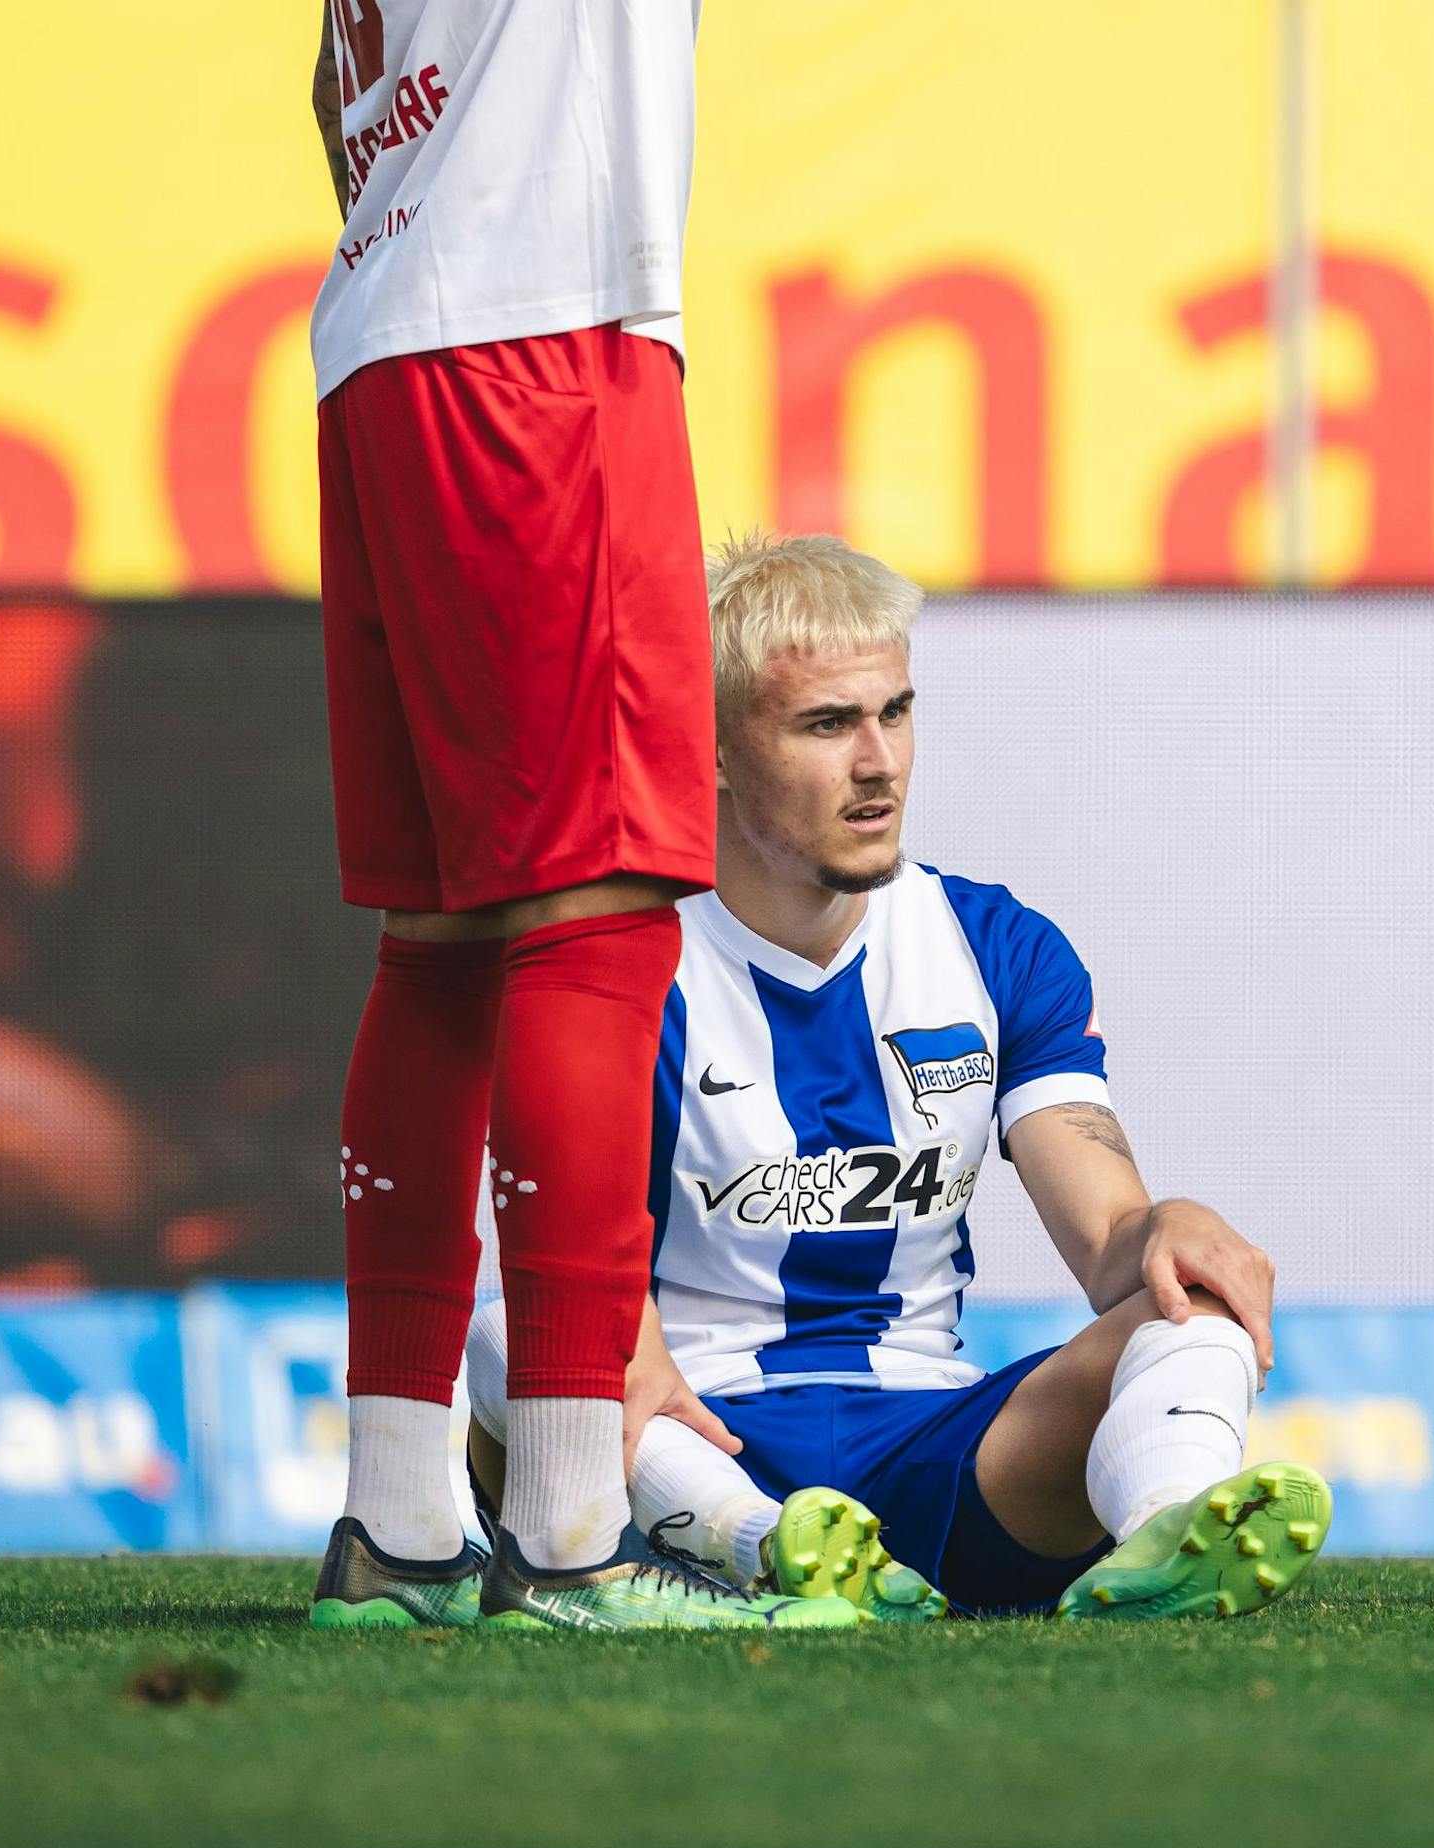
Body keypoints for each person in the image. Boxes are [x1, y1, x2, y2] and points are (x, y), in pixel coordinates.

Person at [466, 532, 1333, 1621]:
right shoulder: (621, 972)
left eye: (895, 711)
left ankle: (1169, 1531)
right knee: (518, 1331)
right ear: (713, 748)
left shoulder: (995, 946)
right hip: (688, 1442)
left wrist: (1164, 1225)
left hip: (943, 1451)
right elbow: (589, 1277)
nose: (878, 760)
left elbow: (1110, 1241)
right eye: (826, 723)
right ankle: (767, 1553)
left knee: (1186, 1302)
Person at [305, 3, 853, 1632]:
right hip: (538, 335)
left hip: (387, 327)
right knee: (599, 918)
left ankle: (402, 1521)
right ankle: (565, 1534)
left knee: (449, 943)